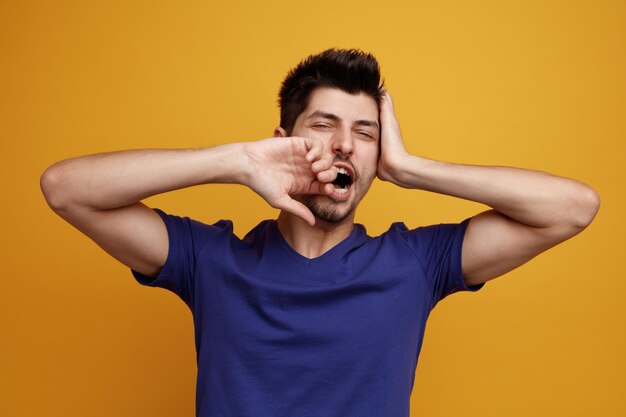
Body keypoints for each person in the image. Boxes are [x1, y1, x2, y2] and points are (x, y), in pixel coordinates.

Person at [40, 48, 600, 417]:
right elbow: (66, 187)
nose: (344, 146)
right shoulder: (210, 260)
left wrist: (409, 168)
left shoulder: (415, 265)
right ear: (283, 140)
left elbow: (572, 207)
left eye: (365, 133)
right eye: (323, 125)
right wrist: (235, 160)